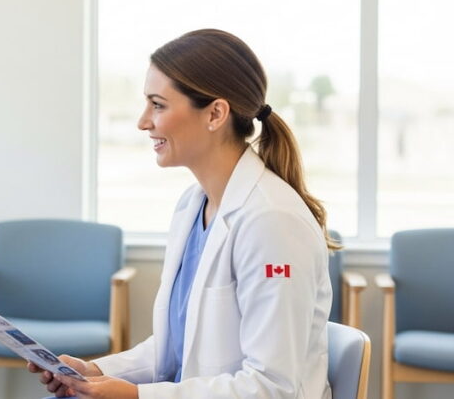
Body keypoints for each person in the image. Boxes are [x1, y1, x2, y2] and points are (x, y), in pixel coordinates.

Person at [32, 29, 335, 398]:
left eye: (158, 105)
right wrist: (94, 371)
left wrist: (135, 395)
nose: (144, 122)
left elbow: (272, 387)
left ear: (215, 114)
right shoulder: (193, 206)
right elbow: (175, 350)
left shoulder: (271, 221)